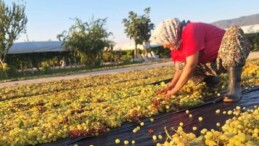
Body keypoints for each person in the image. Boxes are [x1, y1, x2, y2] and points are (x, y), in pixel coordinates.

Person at [149, 18, 251, 102]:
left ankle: (235, 88)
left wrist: (175, 90)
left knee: (233, 32)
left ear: (169, 35)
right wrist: (171, 86)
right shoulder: (176, 46)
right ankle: (212, 82)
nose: (164, 45)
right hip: (215, 62)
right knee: (183, 65)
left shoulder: (190, 30)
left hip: (233, 52)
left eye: (163, 41)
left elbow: (191, 65)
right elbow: (180, 69)